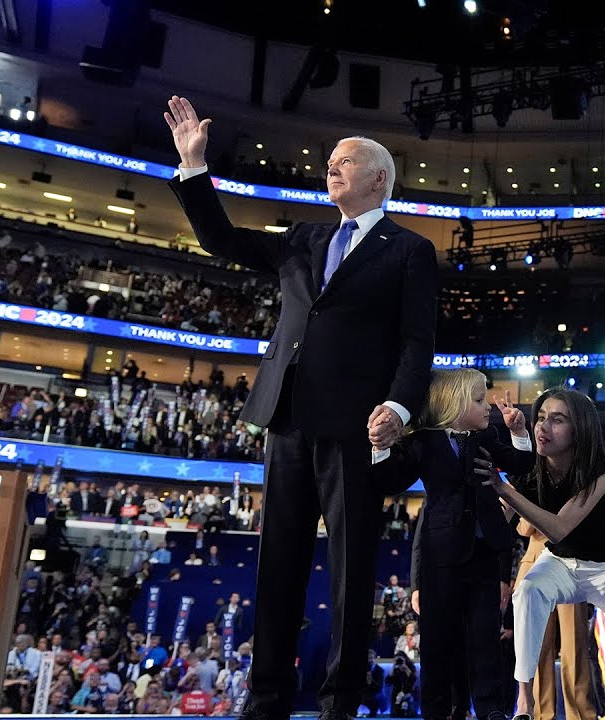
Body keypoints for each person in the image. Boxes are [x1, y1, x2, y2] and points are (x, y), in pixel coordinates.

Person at [164, 95, 437, 720]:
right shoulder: (304, 239)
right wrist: (194, 165)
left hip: (356, 428)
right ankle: (266, 703)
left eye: (344, 162)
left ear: (379, 179)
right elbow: (220, 238)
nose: (331, 169)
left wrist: (398, 406)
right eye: (330, 162)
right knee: (277, 566)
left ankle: (341, 703)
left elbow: (418, 341)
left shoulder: (408, 250)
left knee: (350, 571)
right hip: (285, 420)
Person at [486, 388, 605, 720]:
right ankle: (524, 702)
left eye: (556, 420)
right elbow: (501, 521)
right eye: (540, 418)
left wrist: (503, 489)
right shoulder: (533, 467)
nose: (543, 427)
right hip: (560, 563)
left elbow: (558, 528)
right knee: (527, 590)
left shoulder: (599, 472)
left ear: (579, 428)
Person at [380, 369, 535, 720]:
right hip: (440, 557)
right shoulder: (422, 441)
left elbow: (521, 464)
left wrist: (519, 432)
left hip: (484, 555)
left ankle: (491, 708)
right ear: (454, 403)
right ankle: (438, 709)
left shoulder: (489, 436)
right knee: (437, 640)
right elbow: (391, 479)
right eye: (479, 400)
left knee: (484, 638)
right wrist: (379, 447)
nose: (487, 408)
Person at [513, 518, 599, 720]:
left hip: (571, 562)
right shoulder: (530, 487)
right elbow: (524, 529)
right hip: (535, 563)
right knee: (537, 647)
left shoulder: (576, 485)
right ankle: (542, 713)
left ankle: (580, 713)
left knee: (575, 644)